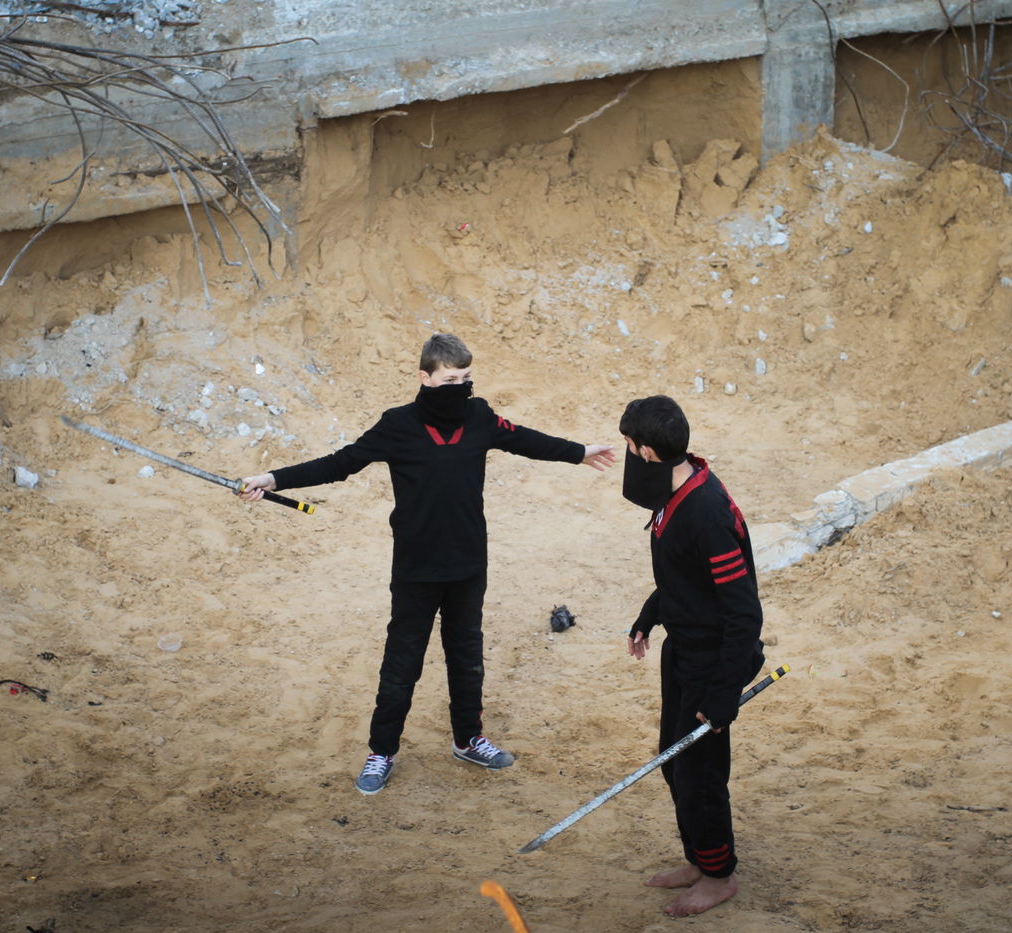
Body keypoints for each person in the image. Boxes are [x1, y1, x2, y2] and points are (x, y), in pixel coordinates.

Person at [239, 333, 616, 795]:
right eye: (451, 379)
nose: (461, 386)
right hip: (416, 570)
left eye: (467, 378)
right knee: (401, 666)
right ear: (426, 377)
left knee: (466, 659)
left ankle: (468, 740)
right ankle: (382, 752)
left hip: (468, 565)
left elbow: (525, 440)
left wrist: (579, 452)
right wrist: (272, 479)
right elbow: (340, 463)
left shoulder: (479, 417)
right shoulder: (399, 425)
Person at [619, 394, 765, 918]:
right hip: (684, 648)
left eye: (630, 448)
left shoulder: (705, 512)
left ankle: (719, 876)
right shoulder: (674, 491)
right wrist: (648, 616)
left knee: (698, 775)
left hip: (713, 662)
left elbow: (744, 614)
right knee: (675, 759)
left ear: (649, 453)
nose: (628, 455)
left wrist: (723, 692)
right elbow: (682, 580)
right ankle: (702, 859)